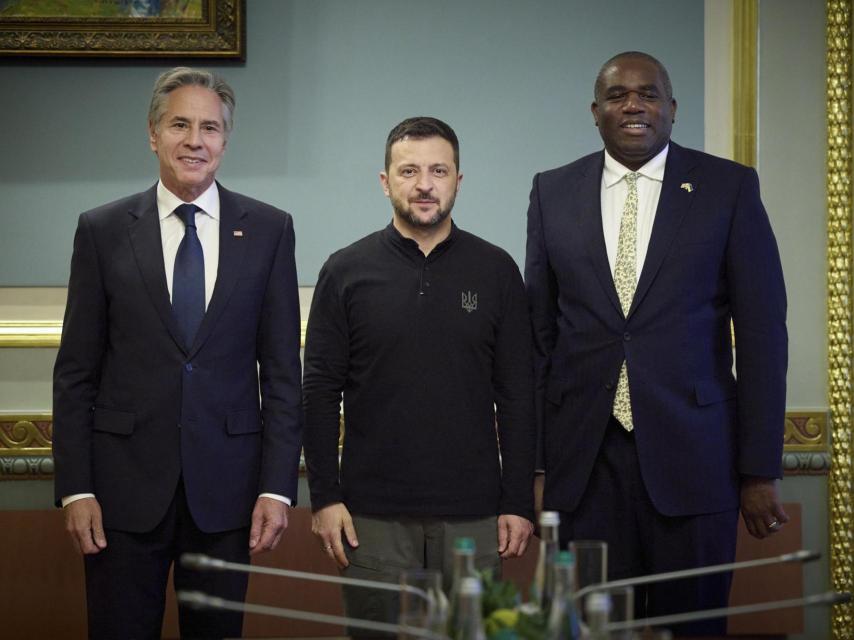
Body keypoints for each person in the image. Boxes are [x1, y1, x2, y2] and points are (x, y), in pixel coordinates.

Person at [524, 51, 788, 635]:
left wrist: (759, 470)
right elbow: (538, 340)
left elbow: (765, 334)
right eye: (618, 95)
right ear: (595, 112)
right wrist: (536, 464)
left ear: (672, 108)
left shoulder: (728, 188)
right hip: (584, 470)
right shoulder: (552, 191)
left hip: (698, 464)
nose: (634, 105)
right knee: (587, 629)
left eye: (648, 94)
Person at [53, 67, 303, 639]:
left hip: (228, 495)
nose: (196, 140)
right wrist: (77, 487)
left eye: (210, 127)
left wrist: (275, 486)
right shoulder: (103, 230)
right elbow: (75, 373)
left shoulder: (268, 230)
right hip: (120, 495)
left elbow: (284, 373)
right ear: (152, 133)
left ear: (225, 139)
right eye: (180, 125)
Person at [303, 116, 535, 634]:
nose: (424, 184)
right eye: (409, 171)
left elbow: (518, 394)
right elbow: (319, 392)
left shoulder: (496, 271)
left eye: (438, 170)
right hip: (371, 519)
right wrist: (324, 497)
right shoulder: (345, 271)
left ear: (458, 180)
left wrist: (518, 500)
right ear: (385, 181)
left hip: (475, 517)